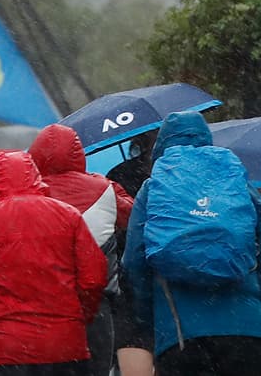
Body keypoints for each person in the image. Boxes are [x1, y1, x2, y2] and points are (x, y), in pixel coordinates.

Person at [123, 112, 261, 376]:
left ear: (162, 145)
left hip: (180, 335)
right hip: (246, 334)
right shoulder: (240, 186)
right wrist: (256, 310)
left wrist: (149, 317)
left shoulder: (153, 188)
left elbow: (134, 262)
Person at [0, 150, 108, 375]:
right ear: (35, 176)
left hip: (2, 347)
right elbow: (93, 277)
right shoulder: (68, 215)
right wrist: (78, 316)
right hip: (62, 346)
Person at [28, 123, 133, 376]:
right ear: (79, 154)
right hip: (96, 309)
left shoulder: (26, 192)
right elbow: (133, 218)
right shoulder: (105, 189)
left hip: (41, 310)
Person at [105, 130, 157, 376]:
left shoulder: (120, 176)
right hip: (184, 289)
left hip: (131, 292)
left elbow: (111, 236)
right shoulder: (200, 177)